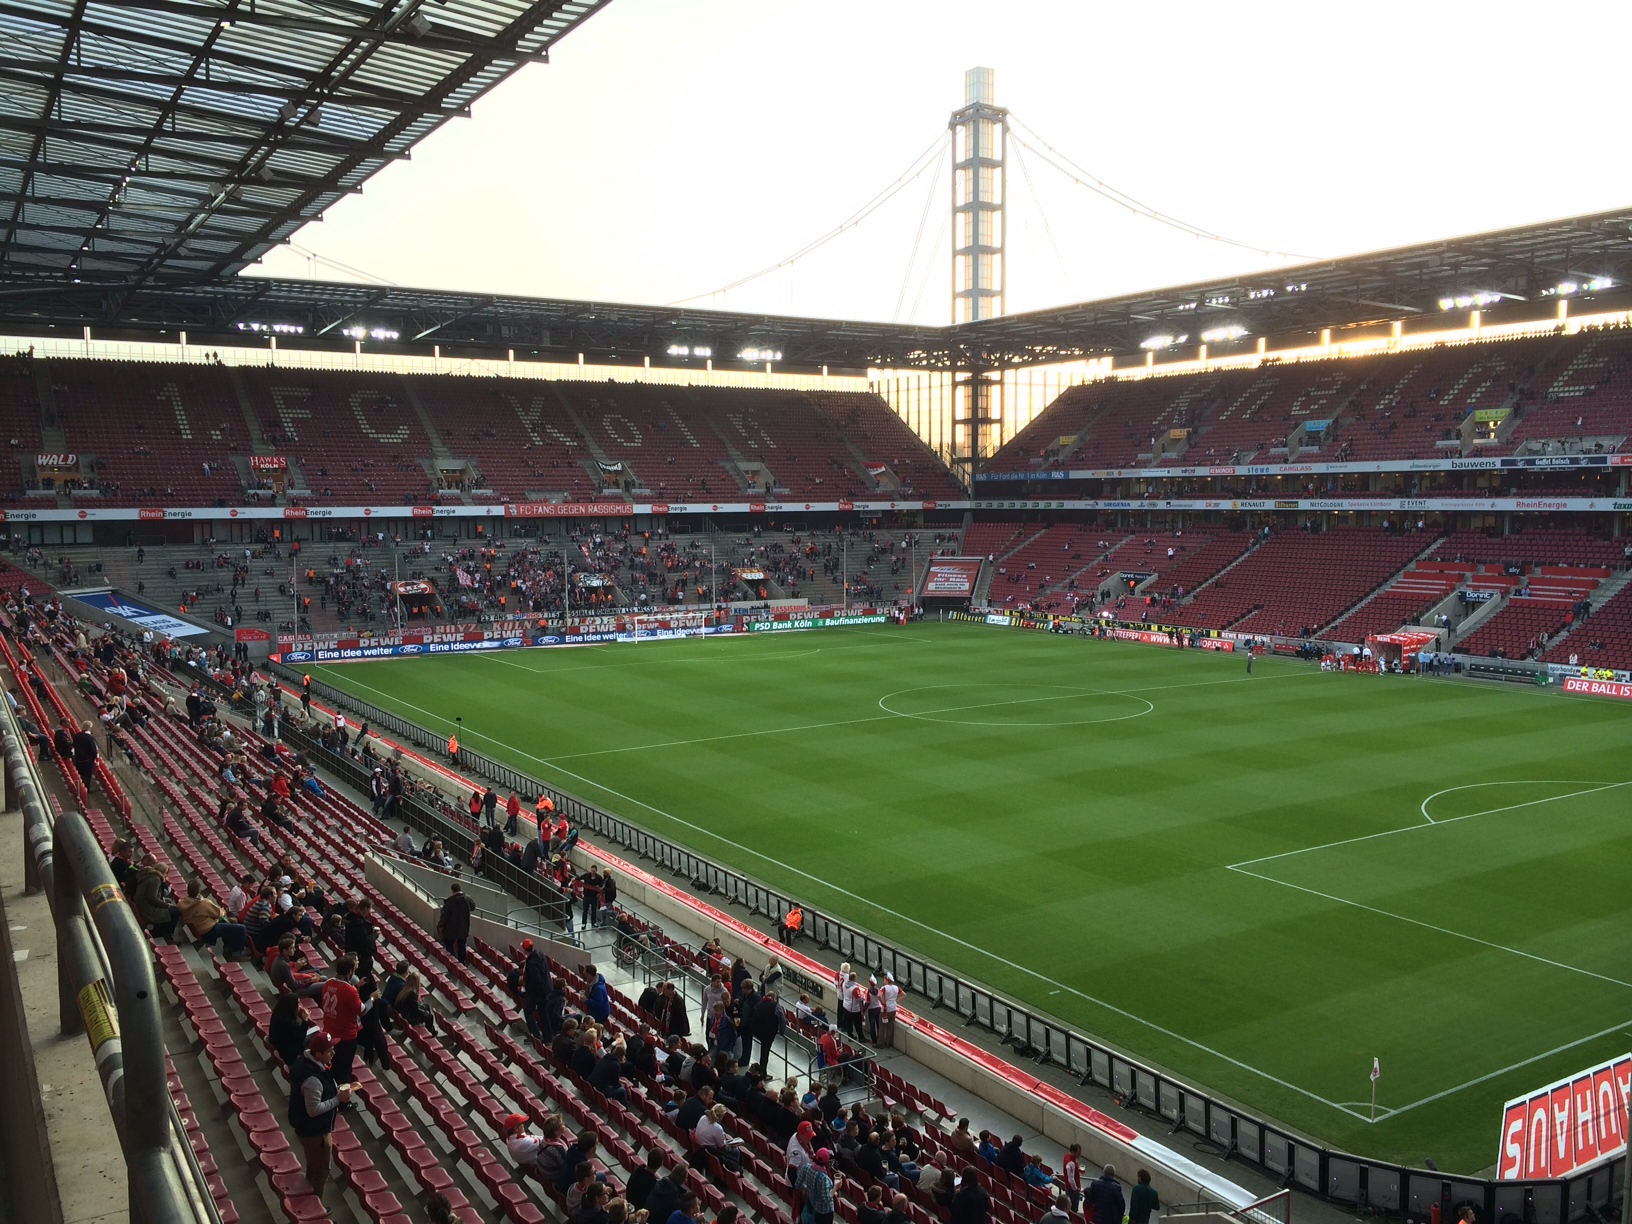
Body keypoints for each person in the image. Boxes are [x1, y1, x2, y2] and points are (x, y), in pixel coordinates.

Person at [287, 1031, 351, 1200]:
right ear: (318, 1055)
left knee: (313, 1165)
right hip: (315, 1133)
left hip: (309, 1130)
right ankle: (315, 1206)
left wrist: (336, 1091)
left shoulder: (309, 1065)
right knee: (322, 1171)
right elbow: (313, 1109)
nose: (333, 1053)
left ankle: (308, 1192)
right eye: (329, 1051)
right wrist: (337, 1099)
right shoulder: (312, 1080)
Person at [321, 953, 371, 1086]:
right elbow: (362, 1010)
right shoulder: (350, 990)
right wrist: (372, 999)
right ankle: (342, 1096)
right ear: (350, 971)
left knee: (332, 1065)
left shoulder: (328, 983)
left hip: (329, 1030)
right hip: (346, 1036)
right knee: (344, 1069)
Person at [177, 879, 248, 958]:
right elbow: (219, 914)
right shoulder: (204, 903)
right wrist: (223, 911)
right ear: (199, 890)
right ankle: (237, 953)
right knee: (241, 928)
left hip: (199, 929)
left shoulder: (182, 904)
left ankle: (228, 948)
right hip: (209, 930)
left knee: (227, 923)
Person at [521, 939, 552, 1040]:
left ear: (525, 950)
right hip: (546, 989)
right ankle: (548, 1038)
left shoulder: (531, 963)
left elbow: (536, 980)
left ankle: (536, 1035)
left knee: (528, 1011)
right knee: (543, 1014)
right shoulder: (540, 956)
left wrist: (527, 990)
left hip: (537, 992)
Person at [437, 882, 475, 963]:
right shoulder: (467, 898)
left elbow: (444, 916)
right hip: (463, 928)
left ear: (452, 891)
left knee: (449, 945)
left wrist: (440, 925)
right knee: (462, 946)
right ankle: (462, 963)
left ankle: (452, 962)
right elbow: (473, 907)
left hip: (451, 929)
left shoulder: (449, 902)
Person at [795, 1149, 836, 1224]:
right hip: (824, 1213)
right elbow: (826, 1199)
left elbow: (797, 1185)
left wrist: (807, 1189)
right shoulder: (824, 1179)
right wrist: (836, 1187)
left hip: (811, 1205)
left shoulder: (806, 1168)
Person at [71, 718, 99, 790]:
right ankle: (87, 788)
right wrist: (95, 757)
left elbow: (74, 745)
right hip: (87, 760)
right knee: (87, 775)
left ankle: (81, 787)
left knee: (80, 774)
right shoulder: (90, 738)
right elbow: (93, 749)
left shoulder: (76, 736)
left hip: (78, 758)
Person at [1061, 1144, 1083, 1212]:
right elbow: (1071, 1179)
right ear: (1073, 1152)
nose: (1080, 1155)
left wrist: (1078, 1170)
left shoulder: (1067, 1156)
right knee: (1073, 1208)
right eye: (1078, 1153)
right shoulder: (1071, 1163)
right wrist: (1076, 1189)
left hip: (1068, 1187)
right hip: (1072, 1190)